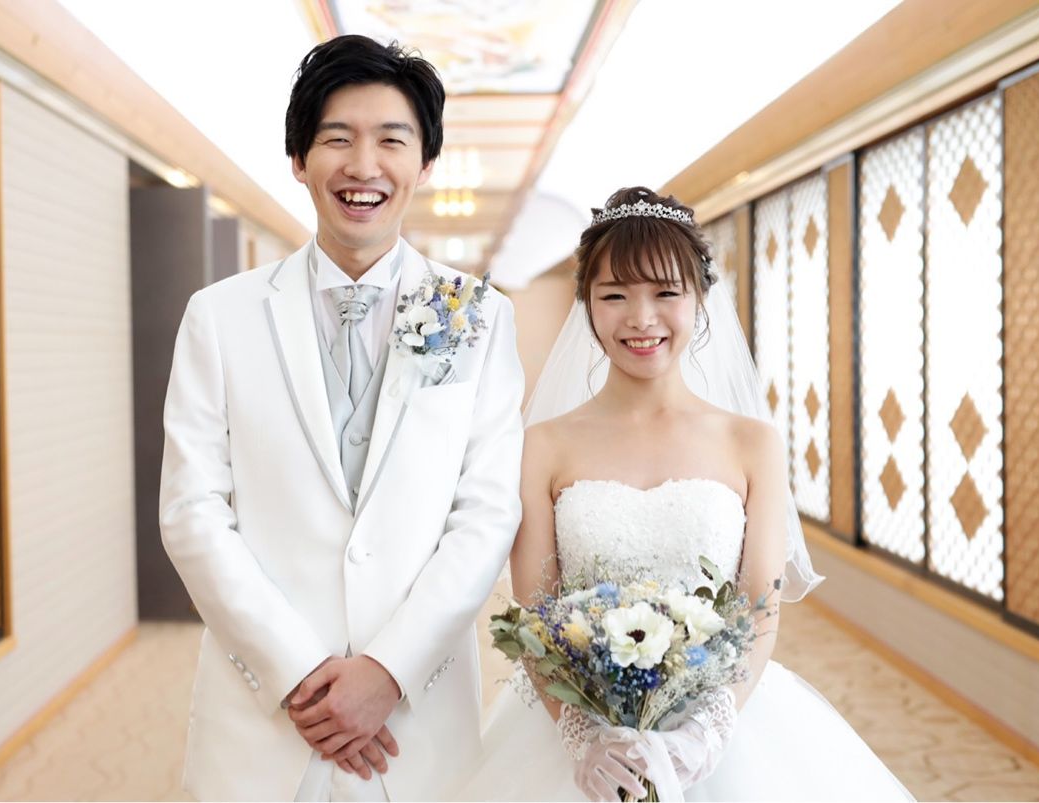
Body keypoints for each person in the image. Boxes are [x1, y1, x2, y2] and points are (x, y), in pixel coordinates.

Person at [159, 34, 524, 801]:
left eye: (391, 140)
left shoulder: (478, 316)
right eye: (336, 139)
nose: (363, 165)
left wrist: (388, 670)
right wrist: (298, 669)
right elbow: (191, 511)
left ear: (426, 162)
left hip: (417, 722)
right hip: (263, 722)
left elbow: (487, 512)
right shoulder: (218, 316)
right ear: (298, 159)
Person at [462, 187, 912, 801]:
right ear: (586, 305)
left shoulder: (752, 442)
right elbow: (537, 610)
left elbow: (758, 609)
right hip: (581, 730)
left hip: (726, 724)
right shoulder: (541, 445)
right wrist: (582, 736)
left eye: (665, 293)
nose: (640, 318)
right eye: (614, 295)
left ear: (700, 299)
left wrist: (708, 731)